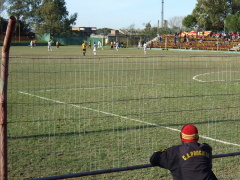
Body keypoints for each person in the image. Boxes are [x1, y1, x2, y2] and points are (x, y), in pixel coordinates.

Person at [150, 124, 217, 180]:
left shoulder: (175, 152)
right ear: (198, 137)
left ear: (181, 136)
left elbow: (153, 159)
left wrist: (167, 151)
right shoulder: (207, 148)